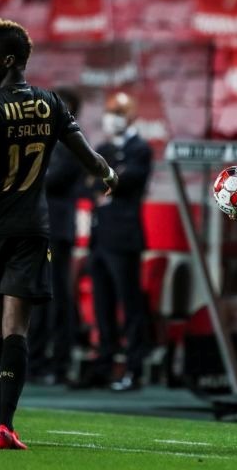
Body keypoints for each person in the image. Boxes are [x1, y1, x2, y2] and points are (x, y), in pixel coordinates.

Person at [0, 19, 118, 450]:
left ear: (9, 60)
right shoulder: (51, 103)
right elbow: (86, 155)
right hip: (32, 228)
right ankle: (5, 424)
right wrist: (107, 173)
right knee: (17, 328)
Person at [73, 91, 152, 392]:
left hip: (124, 238)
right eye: (109, 111)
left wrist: (108, 180)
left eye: (118, 112)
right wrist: (108, 180)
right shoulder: (103, 148)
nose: (112, 118)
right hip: (100, 237)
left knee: (129, 305)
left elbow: (128, 180)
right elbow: (86, 184)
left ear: (131, 115)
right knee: (102, 305)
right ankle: (104, 364)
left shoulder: (140, 149)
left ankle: (133, 368)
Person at [27, 88, 84, 385]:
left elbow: (51, 179)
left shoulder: (72, 143)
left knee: (58, 299)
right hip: (36, 228)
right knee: (36, 297)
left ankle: (60, 363)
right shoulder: (40, 140)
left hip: (57, 231)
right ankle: (35, 360)